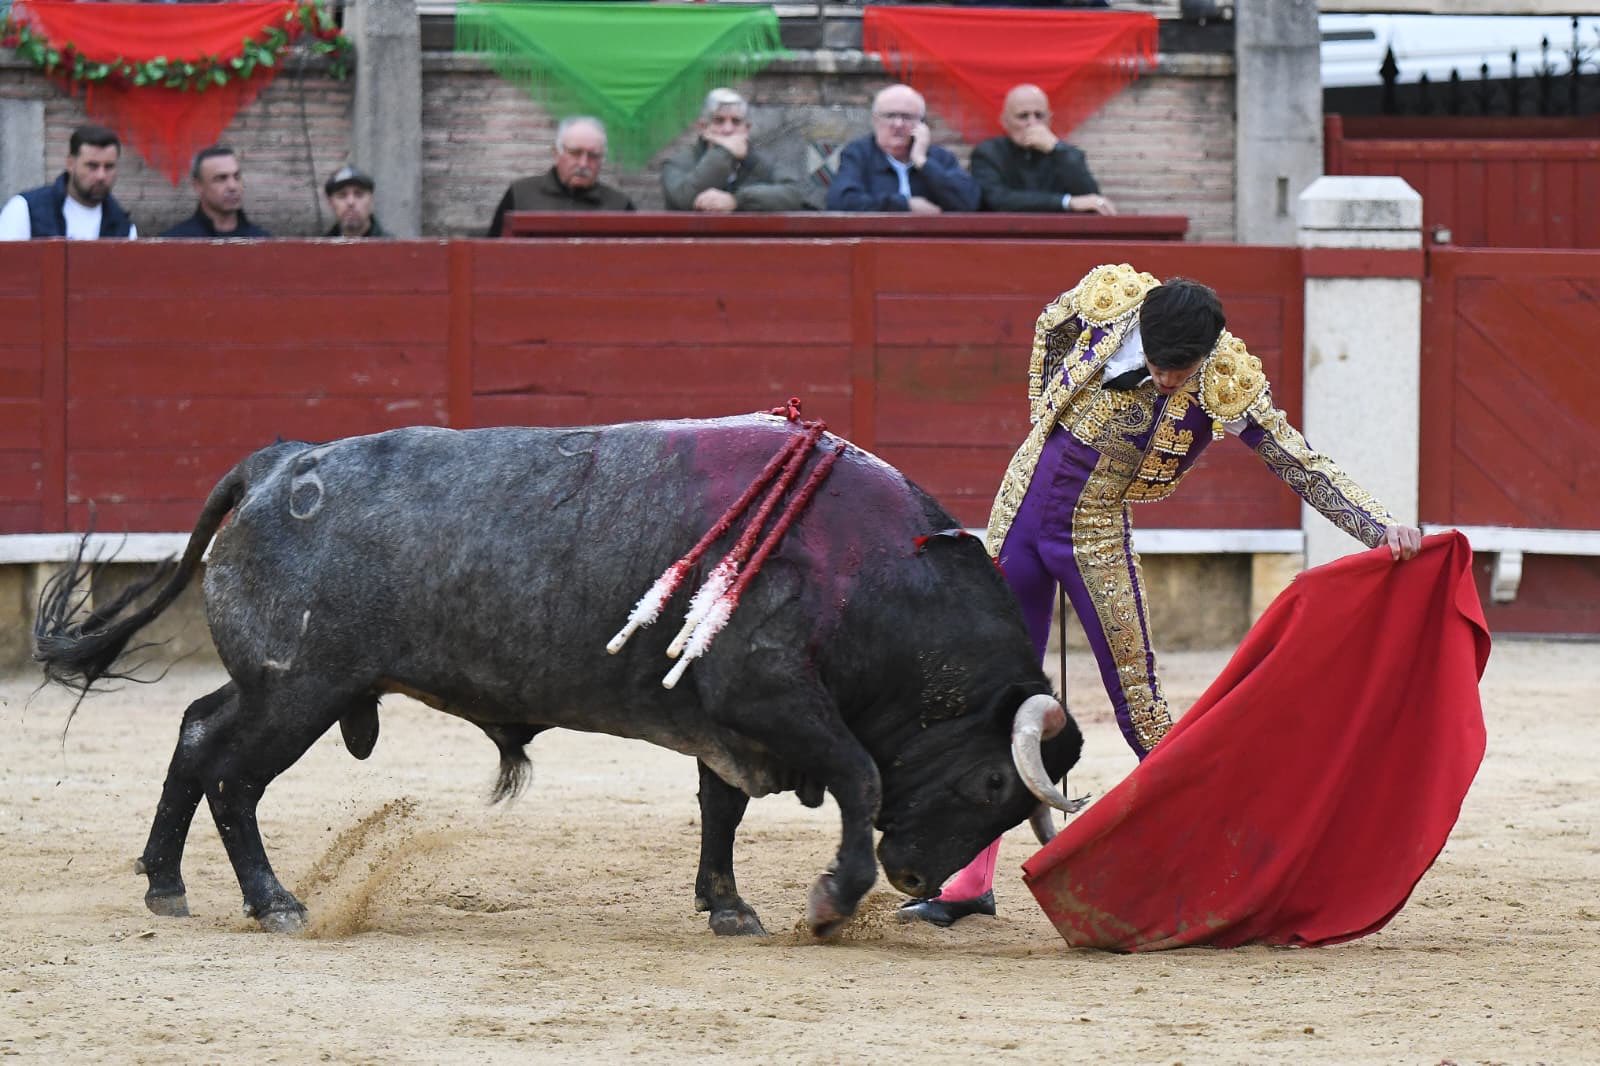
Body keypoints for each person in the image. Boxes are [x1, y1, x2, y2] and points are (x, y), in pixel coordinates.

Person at [898, 263, 1424, 927]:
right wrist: (1044, 413)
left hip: (1093, 531)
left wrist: (1377, 527)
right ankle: (967, 881)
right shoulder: (1110, 298)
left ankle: (1217, 863)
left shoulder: (1226, 378)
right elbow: (1049, 327)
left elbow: (1299, 462)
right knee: (991, 699)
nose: (1169, 378)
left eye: (1182, 368)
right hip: (1021, 511)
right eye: (1159, 362)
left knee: (1140, 705)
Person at [824, 84, 980, 214]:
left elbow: (969, 203)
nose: (898, 124)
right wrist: (905, 205)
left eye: (907, 117)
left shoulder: (940, 158)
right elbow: (839, 201)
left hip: (931, 246)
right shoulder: (858, 154)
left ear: (922, 124)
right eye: (890, 115)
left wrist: (922, 162)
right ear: (875, 121)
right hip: (875, 245)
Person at [660, 88, 815, 213]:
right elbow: (683, 200)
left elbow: (795, 195)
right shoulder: (678, 162)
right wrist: (724, 152)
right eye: (718, 121)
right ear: (702, 127)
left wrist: (736, 200)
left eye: (736, 121)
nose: (728, 129)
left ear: (746, 129)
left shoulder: (764, 161)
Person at [970, 84, 1114, 215]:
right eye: (1023, 116)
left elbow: (1089, 197)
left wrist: (1057, 150)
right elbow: (998, 199)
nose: (1032, 123)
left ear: (1049, 120)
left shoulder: (1065, 154)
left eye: (1039, 116)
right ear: (1004, 121)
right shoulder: (988, 153)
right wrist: (1067, 202)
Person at [486, 116, 635, 237]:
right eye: (575, 153)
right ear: (556, 154)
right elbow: (490, 255)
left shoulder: (620, 206)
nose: (583, 163)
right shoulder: (519, 194)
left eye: (593, 156)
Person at [0, 124, 137, 240]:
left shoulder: (124, 228)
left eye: (109, 166)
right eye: (92, 166)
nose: (101, 175)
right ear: (71, 163)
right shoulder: (25, 209)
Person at [159, 145, 271, 238]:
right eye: (221, 178)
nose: (233, 186)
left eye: (236, 177)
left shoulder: (263, 242)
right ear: (198, 186)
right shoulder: (176, 243)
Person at [323, 165, 387, 238]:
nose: (351, 202)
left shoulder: (392, 248)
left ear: (371, 200)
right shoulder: (319, 248)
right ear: (330, 203)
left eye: (359, 194)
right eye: (342, 195)